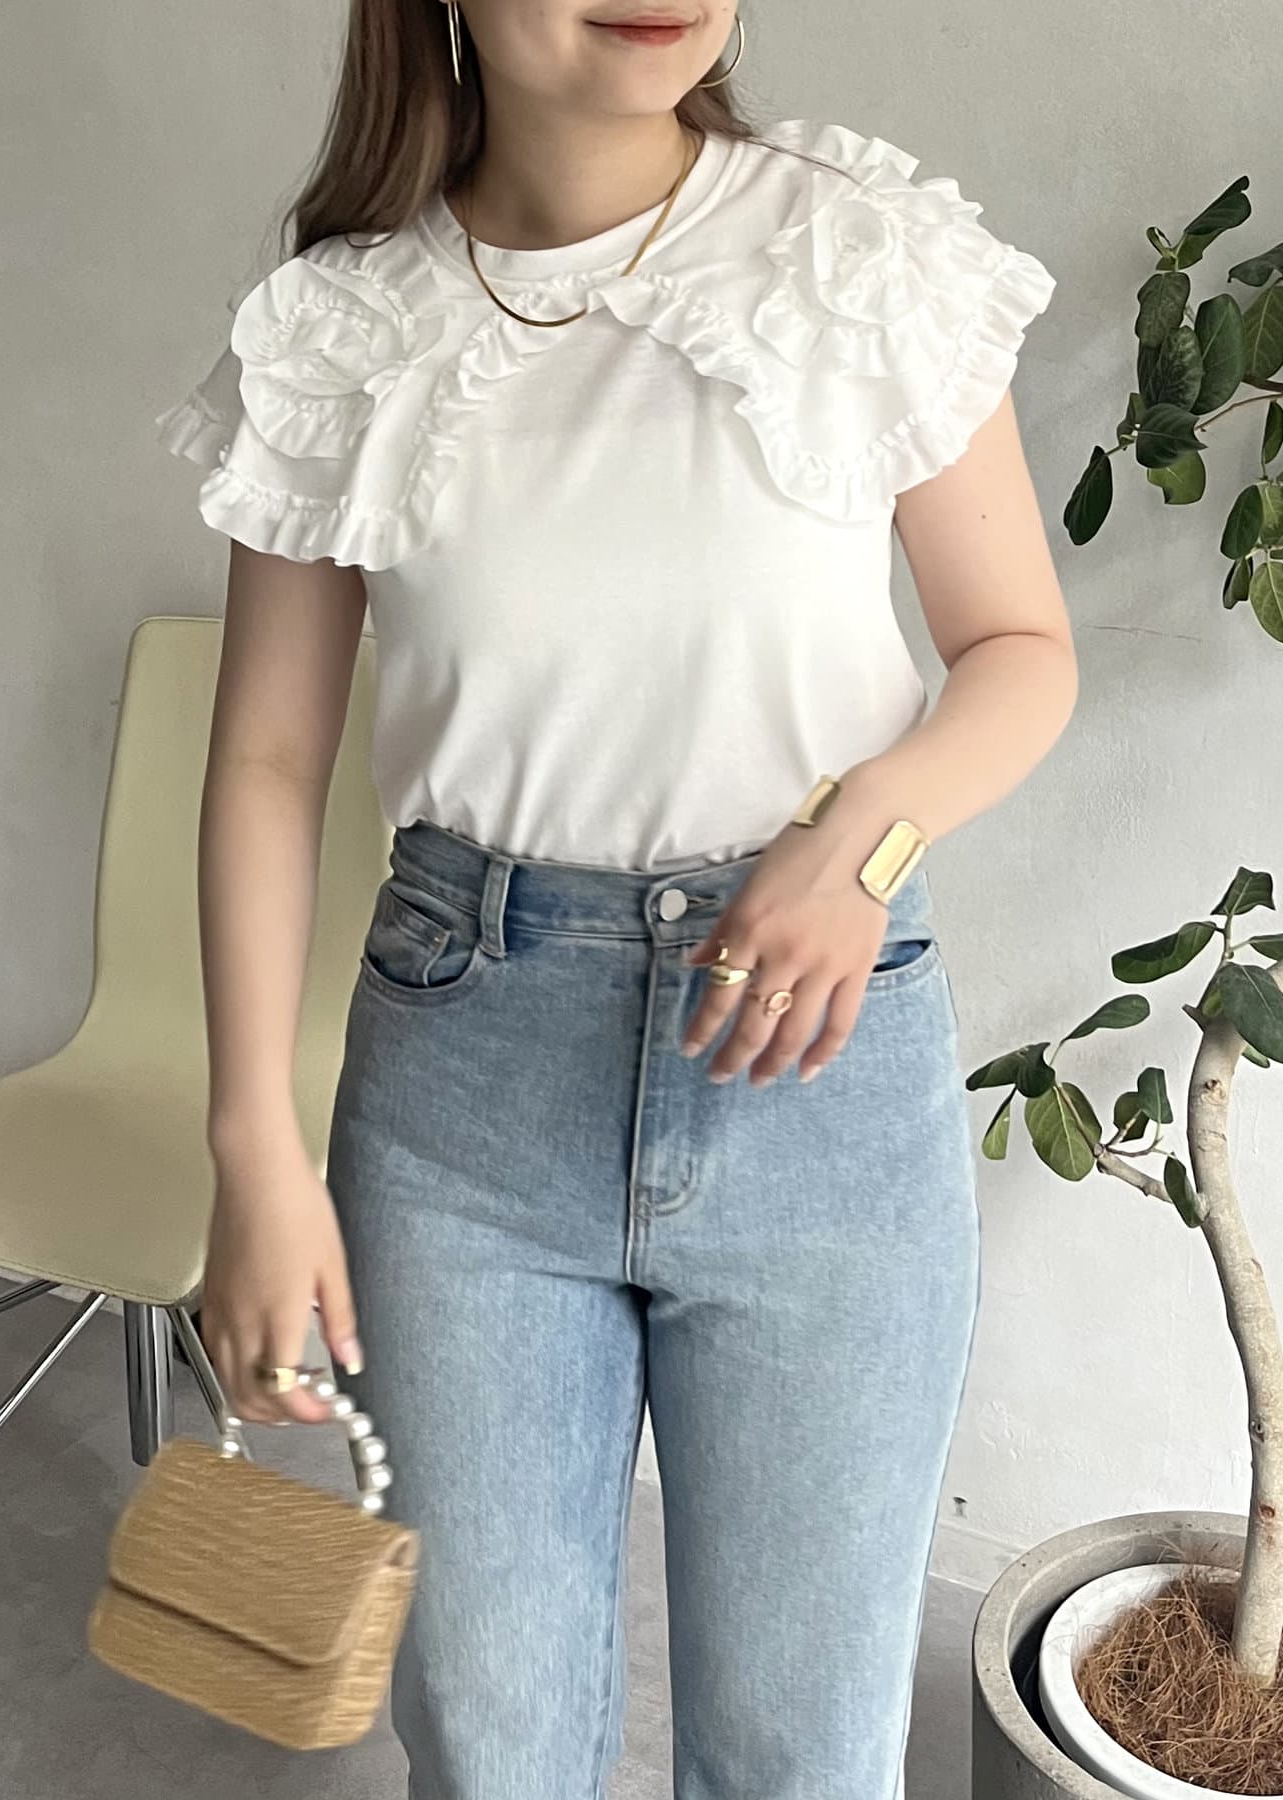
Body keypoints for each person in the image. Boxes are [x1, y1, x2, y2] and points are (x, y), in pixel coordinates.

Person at [156, 1, 1075, 1793]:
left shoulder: (855, 251)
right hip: (462, 1090)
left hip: (821, 1066)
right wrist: (253, 1149)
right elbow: (266, 759)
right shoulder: (345, 324)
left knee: (808, 1753)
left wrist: (868, 836)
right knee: (489, 1738)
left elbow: (1019, 650)